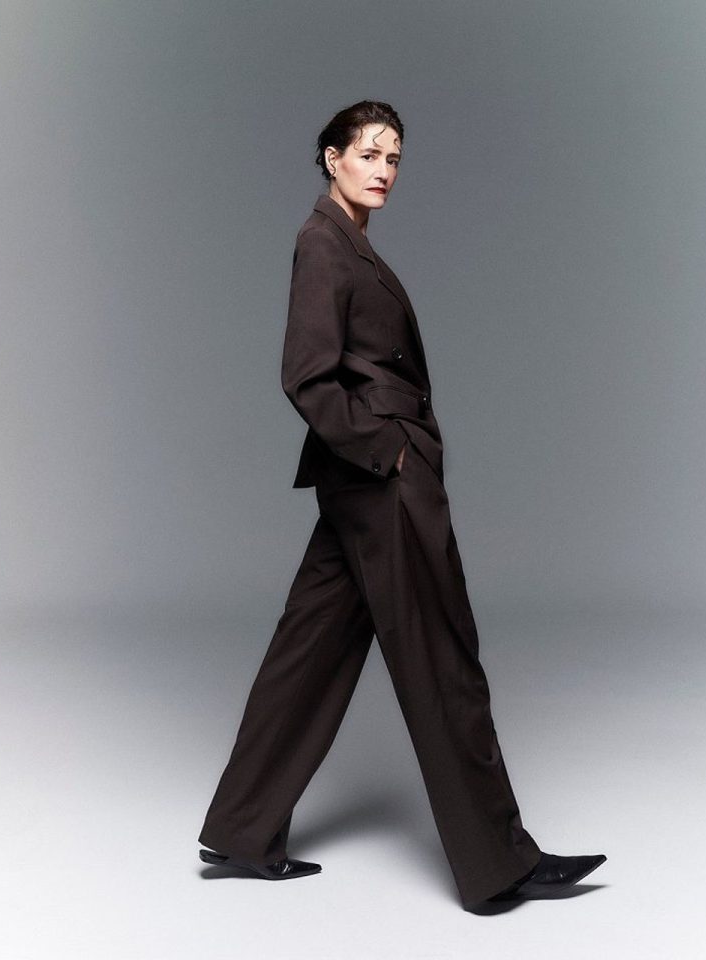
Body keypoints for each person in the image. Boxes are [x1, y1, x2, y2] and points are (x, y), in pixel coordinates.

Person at [197, 100, 606, 910]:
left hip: (363, 481)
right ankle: (498, 865)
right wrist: (386, 451)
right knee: (442, 657)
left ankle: (242, 829)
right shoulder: (323, 242)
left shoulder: (349, 242)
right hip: (379, 479)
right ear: (331, 158)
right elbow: (306, 374)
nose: (383, 169)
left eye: (394, 158)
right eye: (369, 153)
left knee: (308, 653)